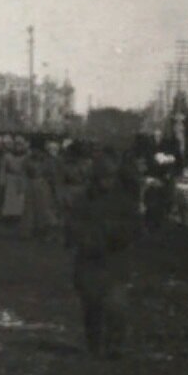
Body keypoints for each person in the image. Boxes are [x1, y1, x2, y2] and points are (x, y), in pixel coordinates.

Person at [66, 150, 141, 359]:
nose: (104, 183)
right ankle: (94, 344)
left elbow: (135, 228)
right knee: (92, 306)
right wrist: (84, 237)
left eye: (109, 178)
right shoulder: (84, 199)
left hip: (115, 260)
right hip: (89, 262)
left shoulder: (124, 201)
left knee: (116, 304)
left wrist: (114, 231)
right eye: (101, 179)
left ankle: (115, 345)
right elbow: (72, 225)